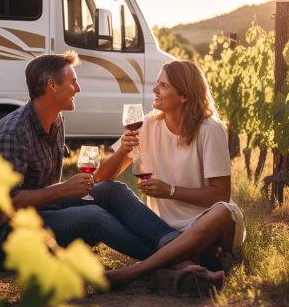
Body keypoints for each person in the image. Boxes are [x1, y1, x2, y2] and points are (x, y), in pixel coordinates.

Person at [0, 50, 180, 271]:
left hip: (43, 212)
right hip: (6, 240)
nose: (78, 88)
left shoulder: (56, 120)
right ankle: (177, 258)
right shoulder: (11, 134)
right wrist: (63, 190)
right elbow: (3, 204)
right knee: (92, 216)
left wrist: (62, 193)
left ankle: (174, 242)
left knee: (112, 190)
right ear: (52, 85)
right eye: (73, 82)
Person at [94, 59, 245, 291]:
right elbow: (102, 179)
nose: (155, 90)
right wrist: (123, 150)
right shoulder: (146, 125)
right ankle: (187, 265)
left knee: (224, 212)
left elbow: (221, 194)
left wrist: (170, 191)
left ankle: (131, 273)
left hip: (205, 223)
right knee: (110, 193)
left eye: (163, 85)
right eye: (157, 84)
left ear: (184, 95)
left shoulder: (209, 129)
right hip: (162, 230)